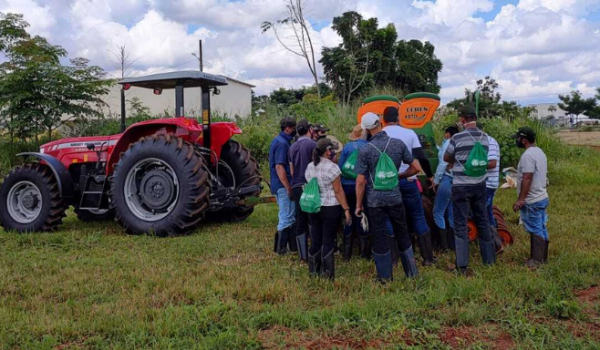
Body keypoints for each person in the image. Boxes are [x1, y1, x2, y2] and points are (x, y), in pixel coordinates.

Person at [355, 112, 423, 282]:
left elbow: (361, 181)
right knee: (402, 231)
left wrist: (358, 205)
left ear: (366, 129)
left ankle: (384, 277)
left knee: (379, 234)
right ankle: (412, 273)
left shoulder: (365, 150)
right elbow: (416, 168)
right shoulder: (397, 144)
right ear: (380, 123)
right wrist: (398, 177)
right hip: (395, 198)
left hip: (374, 200)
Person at [444, 105, 497, 275]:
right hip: (480, 184)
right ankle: (489, 260)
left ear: (463, 119)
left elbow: (447, 157)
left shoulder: (457, 137)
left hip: (461, 185)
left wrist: (455, 158)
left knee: (460, 222)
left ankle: (462, 265)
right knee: (482, 219)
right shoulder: (484, 138)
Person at [382, 107, 437, 266]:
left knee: (390, 219)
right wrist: (429, 175)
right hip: (409, 182)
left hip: (387, 183)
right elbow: (421, 157)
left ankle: (394, 259)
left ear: (384, 120)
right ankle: (428, 257)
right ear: (398, 118)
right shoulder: (409, 133)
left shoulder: (380, 135)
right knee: (418, 217)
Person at [305, 138, 352, 280]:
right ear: (328, 151)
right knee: (328, 240)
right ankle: (328, 273)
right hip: (330, 207)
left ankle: (314, 271)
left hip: (314, 207)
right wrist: (346, 209)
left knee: (315, 239)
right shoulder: (333, 168)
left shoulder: (310, 166)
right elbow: (338, 191)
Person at [511, 127, 549, 269]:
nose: (517, 141)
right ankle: (542, 258)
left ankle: (536, 261)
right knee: (541, 226)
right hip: (542, 196)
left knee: (535, 228)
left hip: (533, 200)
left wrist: (521, 200)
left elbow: (527, 177)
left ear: (523, 140)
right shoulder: (539, 152)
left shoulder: (527, 156)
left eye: (518, 138)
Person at [338, 124, 369, 260]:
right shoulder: (369, 146)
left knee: (348, 214)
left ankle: (347, 254)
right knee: (362, 215)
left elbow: (340, 168)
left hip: (346, 186)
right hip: (363, 186)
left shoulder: (347, 147)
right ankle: (364, 253)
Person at [288, 119, 316, 261]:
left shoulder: (292, 147)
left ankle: (302, 255)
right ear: (310, 129)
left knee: (300, 218)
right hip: (310, 185)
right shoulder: (313, 145)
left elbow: (292, 171)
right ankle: (314, 251)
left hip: (296, 186)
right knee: (313, 218)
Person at [269, 117, 297, 255]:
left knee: (288, 215)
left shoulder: (279, 140)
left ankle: (289, 247)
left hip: (278, 184)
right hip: (282, 184)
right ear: (287, 128)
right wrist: (288, 186)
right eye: (293, 128)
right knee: (286, 216)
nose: (294, 131)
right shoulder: (282, 144)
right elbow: (280, 166)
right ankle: (280, 249)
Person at [433, 126, 459, 251]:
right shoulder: (458, 142)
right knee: (451, 213)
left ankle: (442, 246)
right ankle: (452, 244)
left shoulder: (449, 142)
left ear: (448, 134)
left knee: (438, 212)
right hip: (457, 181)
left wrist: (436, 181)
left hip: (447, 179)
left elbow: (443, 164)